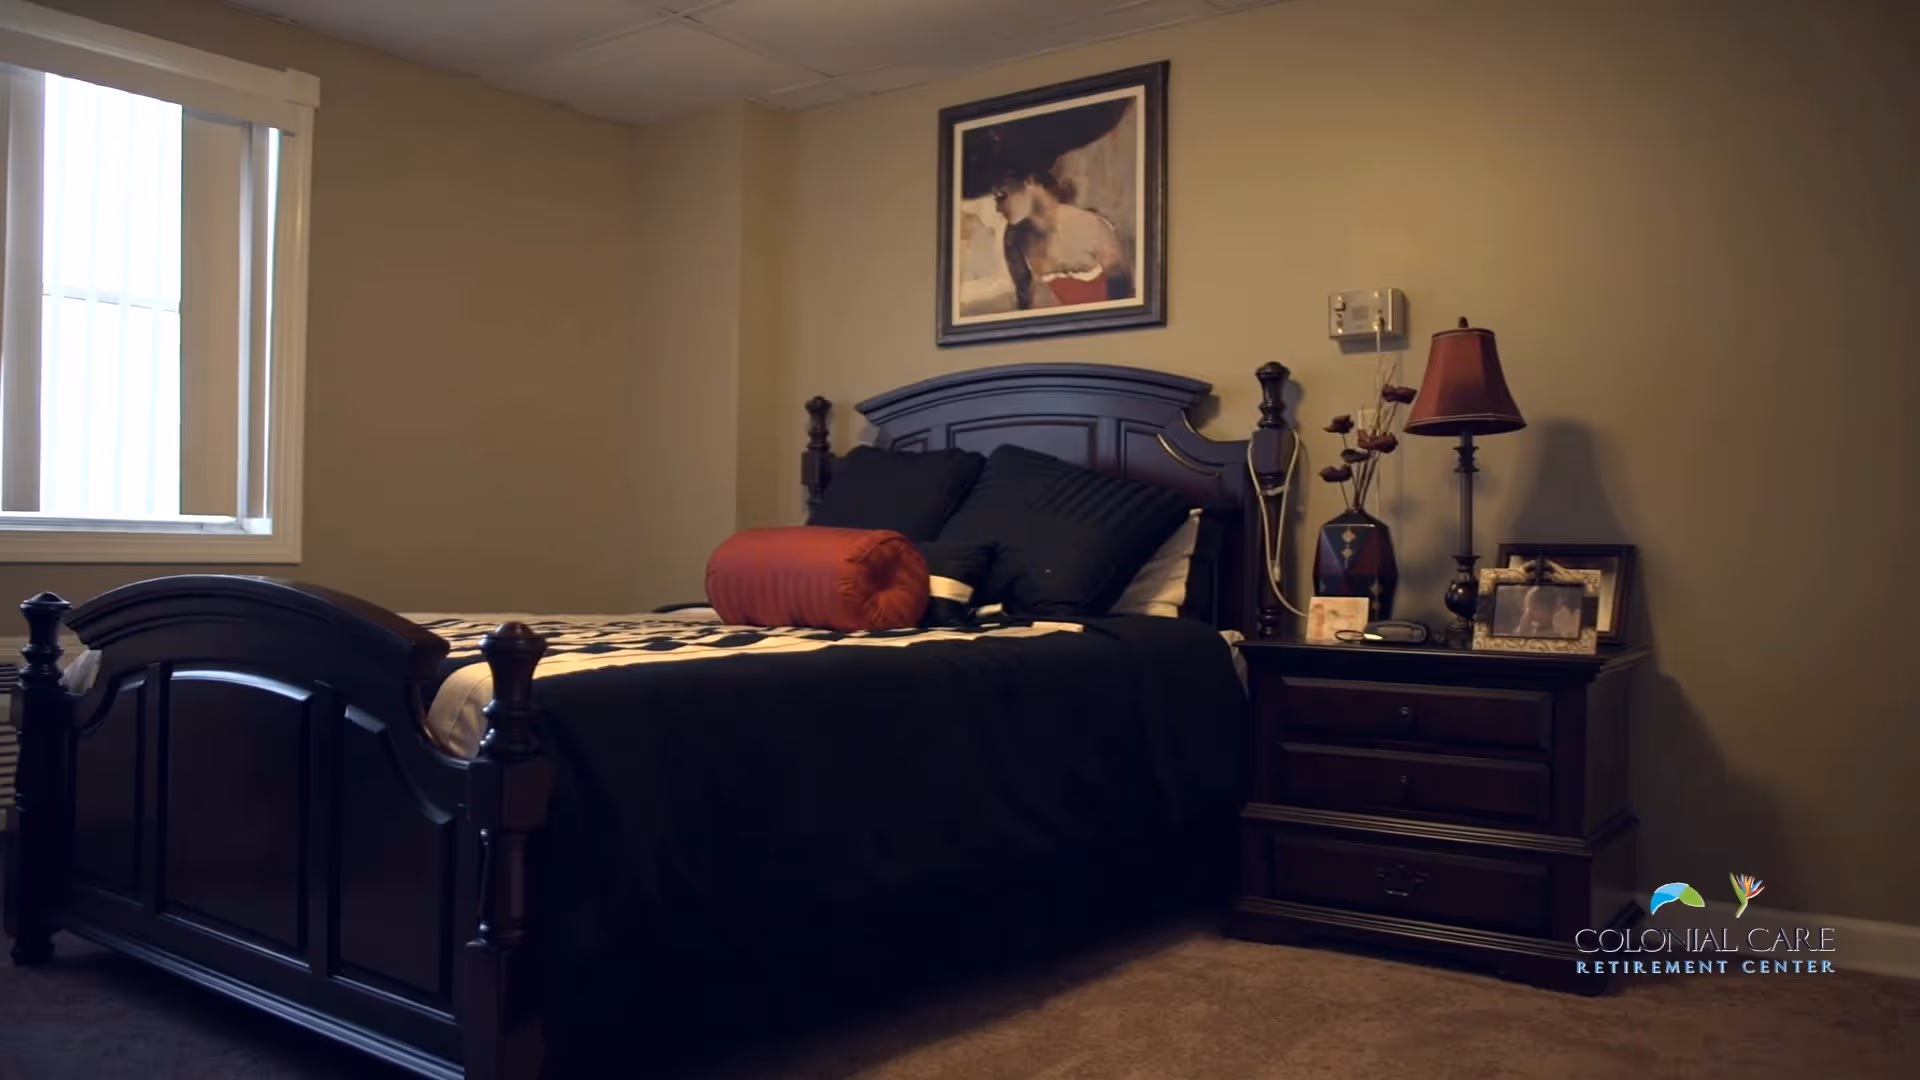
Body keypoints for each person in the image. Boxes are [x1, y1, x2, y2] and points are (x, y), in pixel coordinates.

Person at [990, 171, 1132, 310]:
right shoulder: (1014, 239)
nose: (997, 208)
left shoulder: (1090, 224)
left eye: (1002, 196)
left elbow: (1123, 297)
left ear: (1030, 181)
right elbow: (1025, 303)